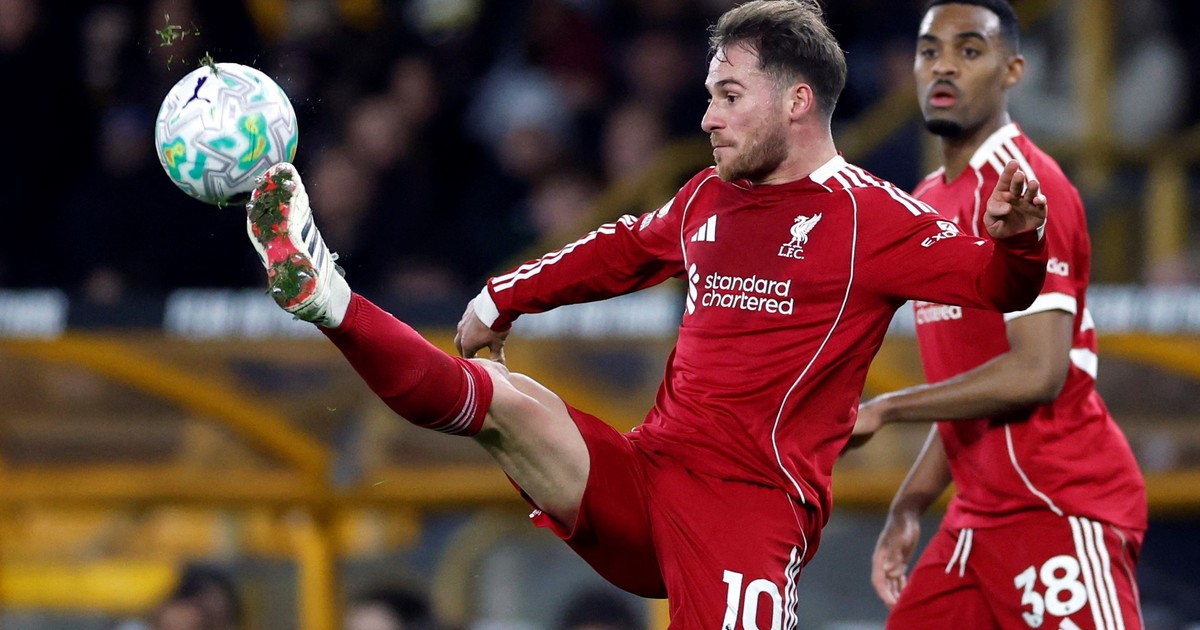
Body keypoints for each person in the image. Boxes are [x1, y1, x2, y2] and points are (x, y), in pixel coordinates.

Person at [239, 0, 1049, 625]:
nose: (707, 118)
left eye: (729, 95)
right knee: (506, 404)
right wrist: (502, 296)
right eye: (708, 96)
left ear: (797, 101)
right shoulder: (707, 196)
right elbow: (624, 249)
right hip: (648, 476)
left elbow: (997, 286)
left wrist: (1019, 243)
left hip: (750, 510)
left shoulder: (875, 218)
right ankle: (331, 300)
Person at [848, 1, 1148, 628]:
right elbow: (970, 386)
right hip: (977, 517)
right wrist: (910, 503)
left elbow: (1038, 372)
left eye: (969, 50)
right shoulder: (928, 202)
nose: (944, 67)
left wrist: (887, 408)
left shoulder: (1028, 189)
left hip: (1058, 505)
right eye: (929, 51)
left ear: (1012, 71)